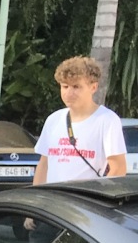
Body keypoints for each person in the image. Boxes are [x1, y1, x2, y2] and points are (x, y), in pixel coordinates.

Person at [32, 56, 127, 184]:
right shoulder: (53, 120)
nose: (69, 93)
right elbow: (44, 164)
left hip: (85, 201)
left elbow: (118, 168)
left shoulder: (107, 120)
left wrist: (97, 199)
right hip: (52, 200)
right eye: (65, 87)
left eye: (76, 87)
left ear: (93, 87)